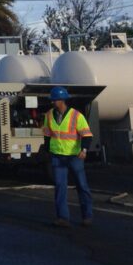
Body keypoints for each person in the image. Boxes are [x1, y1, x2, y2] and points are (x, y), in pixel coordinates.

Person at [43, 86, 94, 227]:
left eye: (54, 100)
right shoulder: (48, 115)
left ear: (61, 100)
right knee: (60, 187)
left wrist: (84, 150)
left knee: (82, 186)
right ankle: (63, 218)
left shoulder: (76, 116)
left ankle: (87, 216)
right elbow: (47, 135)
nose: (52, 102)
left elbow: (87, 135)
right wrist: (48, 150)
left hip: (74, 156)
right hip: (57, 156)